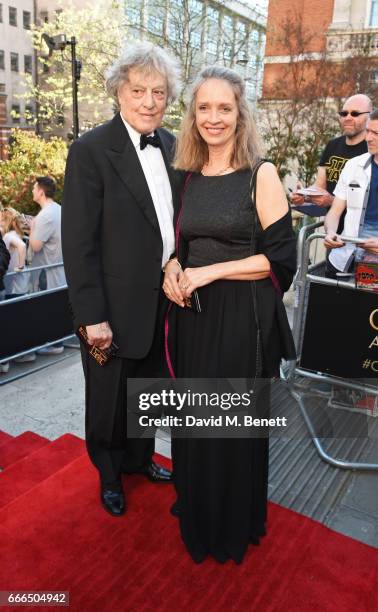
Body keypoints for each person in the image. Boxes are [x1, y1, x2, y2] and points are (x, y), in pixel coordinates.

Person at [163, 66, 297, 564]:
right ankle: (197, 507)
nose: (213, 118)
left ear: (241, 114)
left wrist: (208, 273)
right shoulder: (188, 175)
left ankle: (231, 522)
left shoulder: (261, 172)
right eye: (204, 107)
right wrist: (172, 271)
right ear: (192, 114)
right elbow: (180, 245)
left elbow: (281, 258)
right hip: (191, 314)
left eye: (225, 108)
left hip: (243, 316)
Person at [62, 42, 183, 517]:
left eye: (158, 92)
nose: (149, 101)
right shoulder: (90, 150)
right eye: (138, 90)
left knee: (149, 391)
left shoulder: (173, 145)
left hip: (163, 301)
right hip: (110, 307)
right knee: (109, 401)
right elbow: (79, 243)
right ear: (118, 92)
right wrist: (93, 317)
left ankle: (139, 460)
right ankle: (110, 475)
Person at [291, 94, 372, 208]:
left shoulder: (373, 150)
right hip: (332, 223)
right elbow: (320, 186)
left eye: (355, 114)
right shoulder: (333, 145)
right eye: (344, 113)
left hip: (362, 225)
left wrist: (333, 201)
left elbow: (371, 200)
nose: (348, 118)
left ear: (369, 117)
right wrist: (304, 195)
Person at [324, 109, 378, 276]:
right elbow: (334, 211)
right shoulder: (353, 165)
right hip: (343, 258)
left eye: (376, 133)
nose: (368, 138)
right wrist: (331, 232)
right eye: (368, 131)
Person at [0, 208, 29, 299]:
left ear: (5, 222)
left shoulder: (8, 236)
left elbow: (22, 246)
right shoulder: (16, 233)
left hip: (13, 285)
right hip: (20, 283)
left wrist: (20, 266)